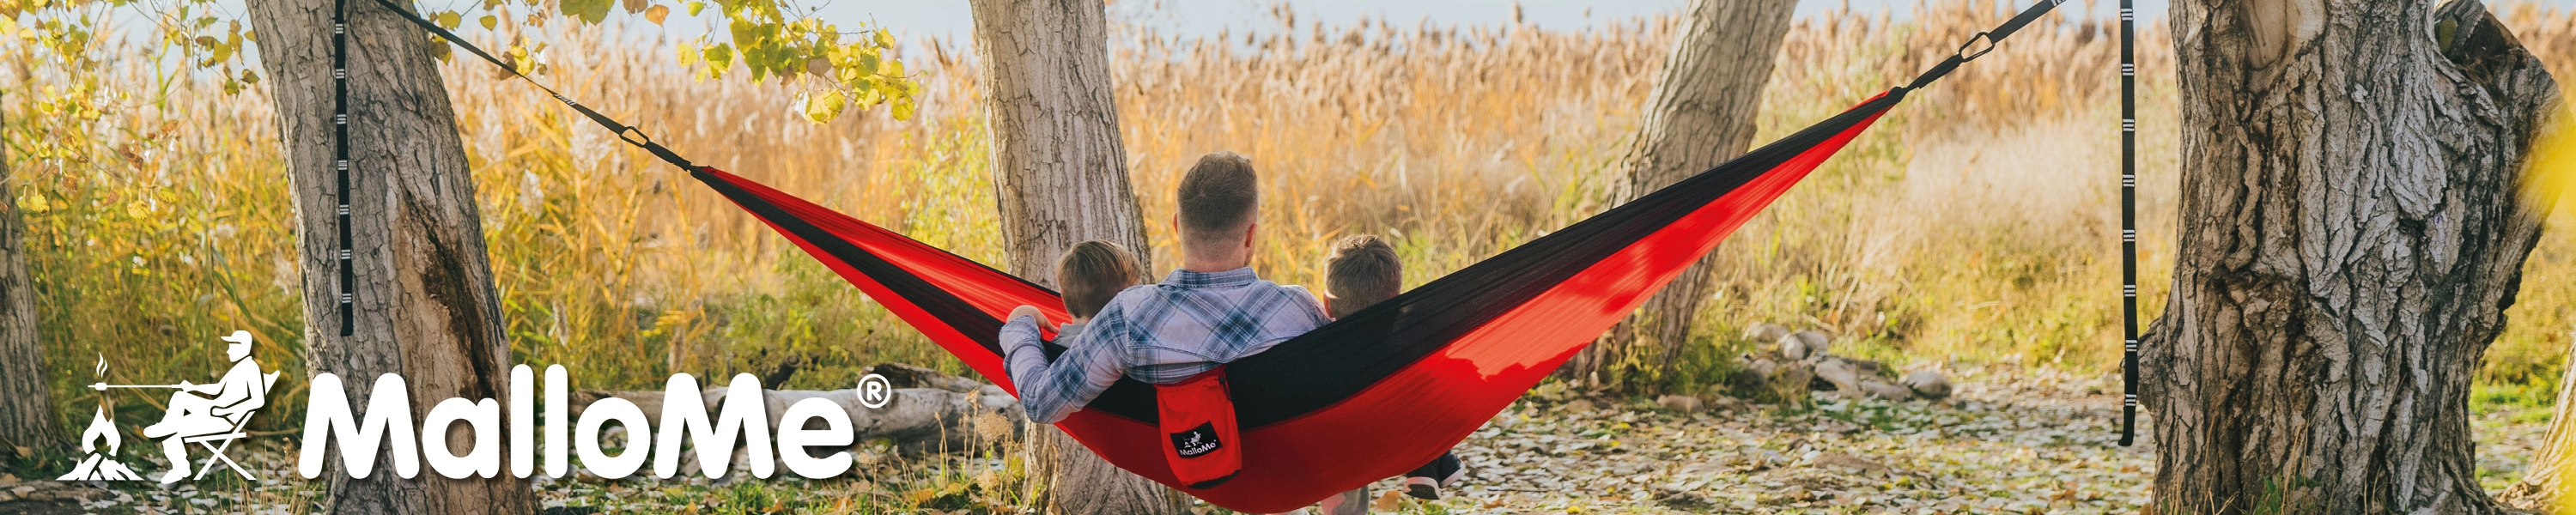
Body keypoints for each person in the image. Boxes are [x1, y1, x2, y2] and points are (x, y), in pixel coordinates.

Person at [1000, 150, 1331, 426]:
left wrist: (1019, 327)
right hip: (1280, 457)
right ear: (1250, 235)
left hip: (1189, 459)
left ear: (1176, 226)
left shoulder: (1127, 318)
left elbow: (1040, 402)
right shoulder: (1301, 310)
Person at [1314, 235, 1467, 512]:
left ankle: (1344, 506)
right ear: (1396, 301)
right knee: (1420, 385)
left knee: (1342, 440)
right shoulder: (1407, 341)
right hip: (1396, 433)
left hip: (1343, 442)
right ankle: (1432, 463)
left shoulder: (1319, 348)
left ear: (1327, 304)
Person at [999, 239, 1141, 385]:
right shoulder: (1134, 352)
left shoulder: (1050, 355)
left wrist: (1021, 317)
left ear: (1063, 294)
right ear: (1125, 300)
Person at [141, 330, 270, 483]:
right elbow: (217, 389)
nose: (228, 350)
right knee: (180, 397)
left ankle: (179, 467)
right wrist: (192, 387)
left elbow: (258, 401)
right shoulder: (239, 367)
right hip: (214, 410)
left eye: (231, 346)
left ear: (242, 347)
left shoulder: (251, 368)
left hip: (222, 417)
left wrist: (226, 410)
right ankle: (172, 447)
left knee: (172, 427)